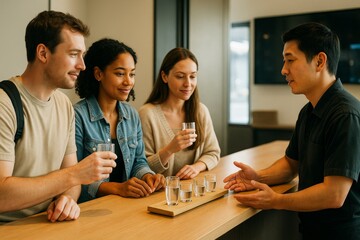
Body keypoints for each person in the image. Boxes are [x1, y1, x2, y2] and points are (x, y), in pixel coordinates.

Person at [223, 22, 360, 239]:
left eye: (290, 60)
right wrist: (258, 177)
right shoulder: (308, 111)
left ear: (319, 61)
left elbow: (334, 194)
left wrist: (277, 201)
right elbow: (291, 164)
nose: (283, 70)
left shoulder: (345, 114)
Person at [0, 11, 118, 223]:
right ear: (43, 53)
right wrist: (75, 175)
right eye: (74, 54)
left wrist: (66, 200)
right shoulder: (4, 103)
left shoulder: (64, 105)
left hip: (47, 224)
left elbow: (71, 182)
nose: (82, 65)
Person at [74, 38, 165, 202]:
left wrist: (148, 176)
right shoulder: (77, 116)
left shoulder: (132, 115)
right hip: (89, 211)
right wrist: (118, 188)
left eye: (132, 74)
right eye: (120, 73)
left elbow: (139, 161)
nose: (128, 81)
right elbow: (73, 178)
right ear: (98, 74)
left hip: (124, 207)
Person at [138, 47, 220, 179]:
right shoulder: (147, 114)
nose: (188, 83)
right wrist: (170, 149)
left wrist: (196, 167)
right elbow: (141, 168)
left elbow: (213, 153)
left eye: (193, 76)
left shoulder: (201, 111)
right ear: (164, 76)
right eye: (180, 76)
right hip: (159, 194)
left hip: (192, 191)